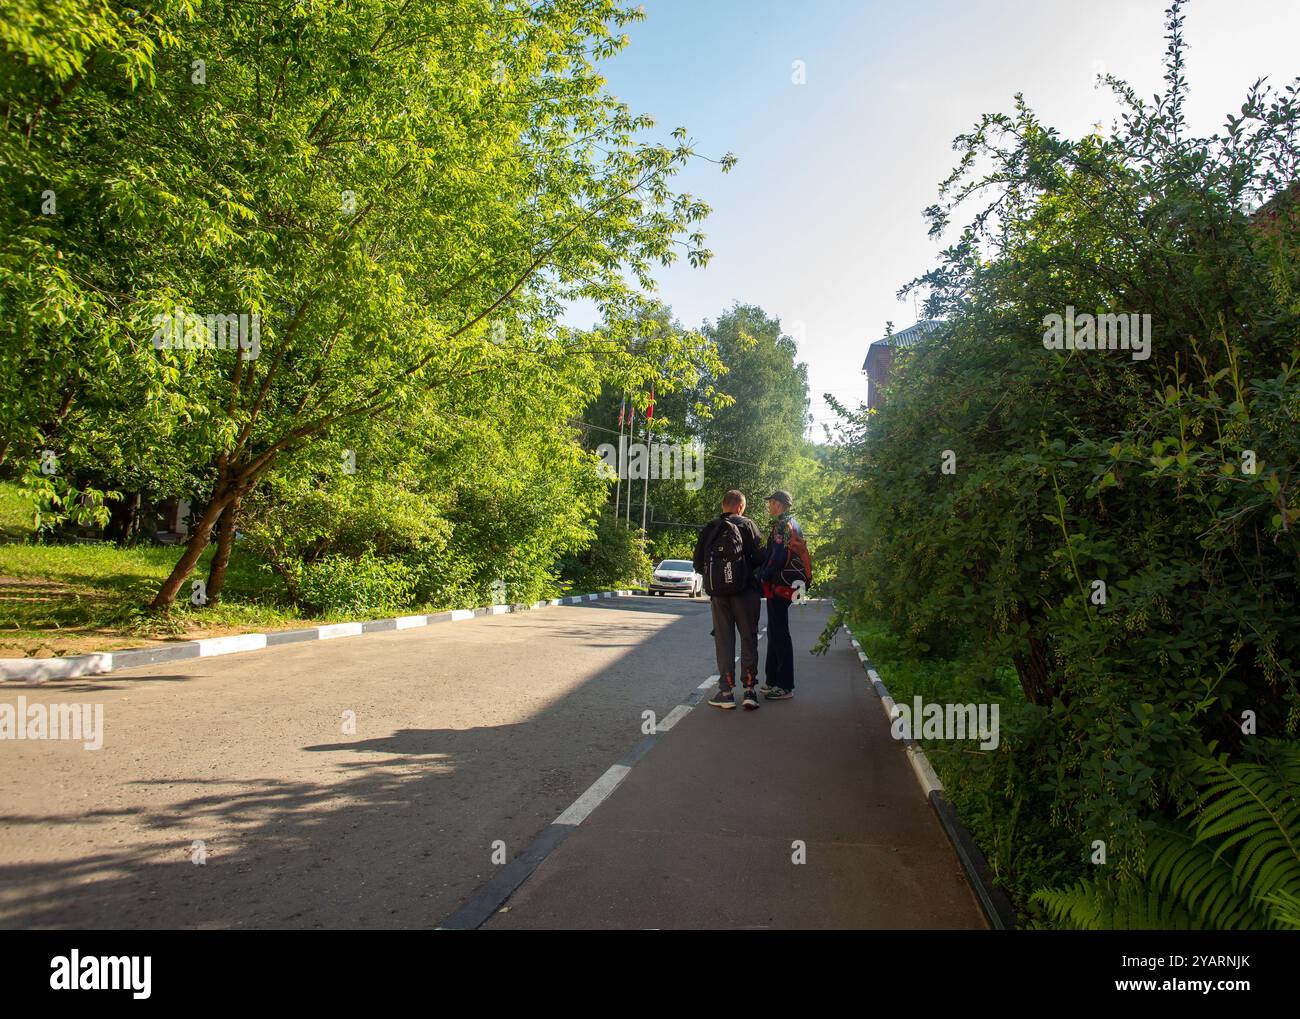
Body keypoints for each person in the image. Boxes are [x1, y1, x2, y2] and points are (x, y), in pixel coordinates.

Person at [693, 489, 765, 710]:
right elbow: (759, 557)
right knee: (748, 639)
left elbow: (697, 563)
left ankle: (725, 692)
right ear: (740, 507)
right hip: (745, 593)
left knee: (724, 642)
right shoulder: (748, 525)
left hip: (719, 596)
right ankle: (750, 691)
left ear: (723, 505)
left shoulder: (710, 528)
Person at [758, 490, 804, 700]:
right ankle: (772, 680)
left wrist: (762, 575)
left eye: (771, 503)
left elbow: (776, 557)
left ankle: (785, 685)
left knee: (779, 633)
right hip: (789, 584)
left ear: (778, 504)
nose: (769, 506)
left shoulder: (781, 526)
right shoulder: (794, 524)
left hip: (779, 584)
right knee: (775, 632)